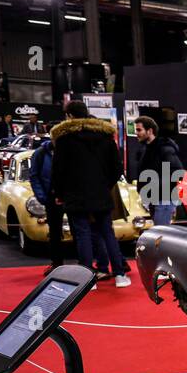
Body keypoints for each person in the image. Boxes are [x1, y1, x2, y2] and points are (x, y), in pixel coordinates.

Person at [49, 100, 130, 288]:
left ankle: (88, 280)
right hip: (101, 193)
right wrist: (104, 184)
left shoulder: (64, 139)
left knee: (83, 234)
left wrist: (60, 192)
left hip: (75, 195)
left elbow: (58, 170)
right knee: (107, 233)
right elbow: (117, 167)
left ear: (69, 116)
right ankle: (119, 275)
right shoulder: (105, 136)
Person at [133, 115, 184, 228]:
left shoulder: (164, 149)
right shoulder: (145, 149)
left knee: (162, 236)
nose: (136, 133)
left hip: (163, 200)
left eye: (139, 129)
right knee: (159, 234)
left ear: (150, 131)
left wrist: (153, 187)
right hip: (153, 200)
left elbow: (177, 172)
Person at [28, 134, 62, 270]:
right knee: (54, 233)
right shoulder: (40, 153)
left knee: (78, 231)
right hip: (51, 198)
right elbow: (34, 175)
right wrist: (42, 197)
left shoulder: (69, 150)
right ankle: (57, 263)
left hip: (70, 197)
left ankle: (83, 266)